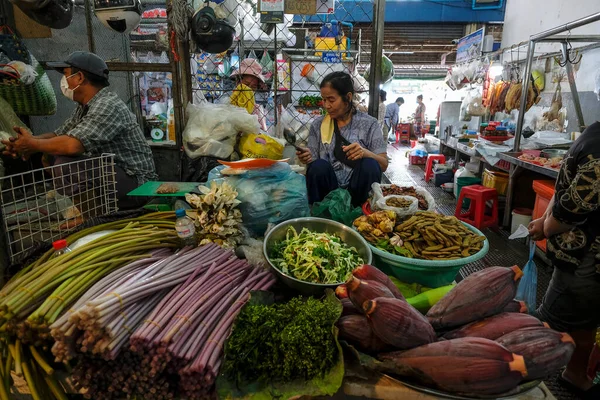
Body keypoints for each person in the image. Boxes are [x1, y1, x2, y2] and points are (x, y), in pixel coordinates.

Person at [1, 51, 157, 209]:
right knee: (51, 154)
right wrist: (25, 142)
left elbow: (73, 145)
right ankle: (89, 211)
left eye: (66, 74)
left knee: (65, 163)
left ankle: (90, 217)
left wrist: (32, 145)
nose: (63, 81)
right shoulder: (84, 107)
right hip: (118, 178)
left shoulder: (107, 105)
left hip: (138, 186)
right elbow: (58, 135)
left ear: (80, 77)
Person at [528, 120, 600, 396]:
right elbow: (569, 202)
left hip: (585, 260)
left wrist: (545, 223)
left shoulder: (593, 134)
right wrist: (546, 223)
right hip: (585, 259)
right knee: (568, 322)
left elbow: (568, 199)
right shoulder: (597, 143)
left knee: (568, 322)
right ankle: (568, 375)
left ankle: (568, 375)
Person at [296, 71, 388, 206]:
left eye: (331, 100)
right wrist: (307, 158)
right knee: (317, 167)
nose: (326, 105)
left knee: (370, 165)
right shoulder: (318, 125)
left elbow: (383, 164)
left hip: (358, 190)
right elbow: (314, 165)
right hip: (329, 193)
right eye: (324, 99)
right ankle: (322, 218)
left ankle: (363, 217)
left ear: (348, 97)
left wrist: (365, 153)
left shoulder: (369, 124)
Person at [230, 58, 268, 131]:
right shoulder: (226, 101)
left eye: (253, 87)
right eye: (246, 84)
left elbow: (262, 134)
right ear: (237, 82)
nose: (249, 89)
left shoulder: (257, 110)